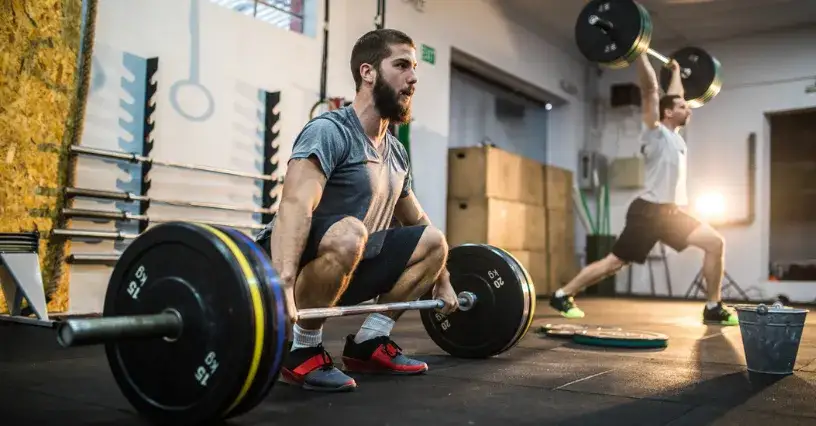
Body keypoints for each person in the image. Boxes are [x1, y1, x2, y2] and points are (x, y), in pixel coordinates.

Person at [255, 28, 460, 392]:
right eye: (401, 65)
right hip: (297, 265)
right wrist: (283, 285)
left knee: (434, 241)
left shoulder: (395, 152)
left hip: (350, 262)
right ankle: (301, 349)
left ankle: (370, 343)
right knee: (351, 232)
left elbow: (417, 220)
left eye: (414, 68)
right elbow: (294, 205)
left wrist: (443, 280)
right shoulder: (330, 130)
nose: (413, 78)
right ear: (368, 72)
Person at [548, 52, 738, 326]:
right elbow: (651, 90)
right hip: (647, 214)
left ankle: (713, 306)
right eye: (683, 107)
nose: (689, 109)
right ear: (669, 113)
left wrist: (674, 72)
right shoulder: (654, 131)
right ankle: (562, 294)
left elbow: (673, 95)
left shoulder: (674, 136)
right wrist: (639, 52)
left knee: (715, 243)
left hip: (670, 214)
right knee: (614, 263)